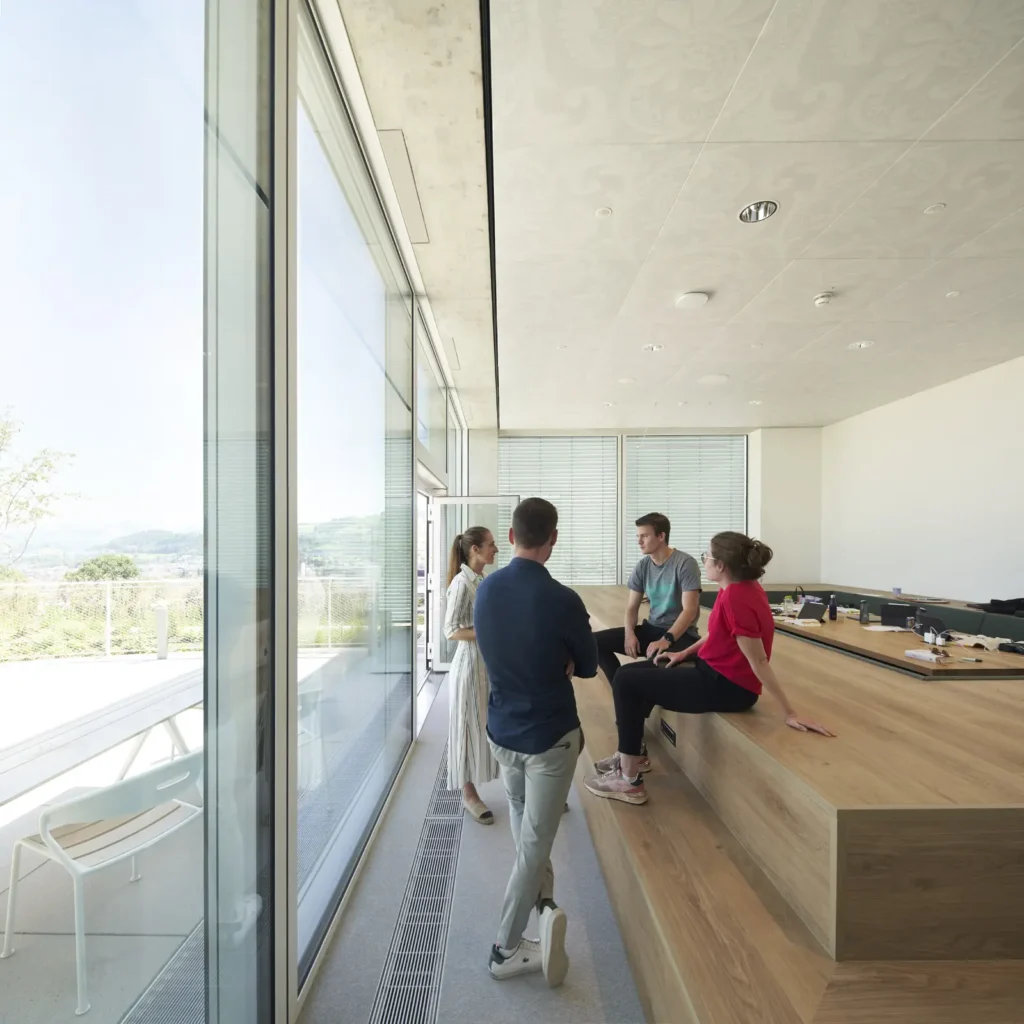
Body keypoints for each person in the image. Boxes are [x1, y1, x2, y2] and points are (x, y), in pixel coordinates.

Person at [585, 531, 835, 805]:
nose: (704, 561)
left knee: (626, 681)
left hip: (728, 688)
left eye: (707, 557)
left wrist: (790, 712)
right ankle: (633, 757)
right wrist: (683, 653)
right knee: (632, 675)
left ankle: (629, 780)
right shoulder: (741, 588)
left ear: (721, 566)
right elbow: (716, 633)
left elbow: (759, 660)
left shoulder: (736, 598)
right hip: (712, 672)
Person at [473, 498, 598, 987]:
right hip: (548, 738)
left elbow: (499, 647)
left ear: (510, 536)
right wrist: (565, 658)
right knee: (533, 842)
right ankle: (504, 949)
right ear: (554, 539)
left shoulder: (486, 588)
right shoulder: (563, 600)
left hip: (502, 732)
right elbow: (588, 665)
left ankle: (544, 901)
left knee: (525, 820)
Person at [593, 513, 701, 760]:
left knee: (642, 673)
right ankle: (628, 703)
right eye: (638, 536)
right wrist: (629, 634)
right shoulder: (643, 566)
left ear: (661, 536)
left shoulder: (685, 563)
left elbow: (690, 611)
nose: (639, 541)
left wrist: (667, 639)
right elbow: (631, 607)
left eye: (644, 536)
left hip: (680, 636)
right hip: (651, 629)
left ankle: (631, 718)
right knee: (594, 642)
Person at [445, 526, 501, 823]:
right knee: (466, 729)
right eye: (491, 544)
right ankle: (469, 795)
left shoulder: (482, 580)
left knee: (493, 726)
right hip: (469, 667)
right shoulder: (461, 583)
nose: (496, 549)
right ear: (475, 550)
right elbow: (451, 630)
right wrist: (488, 632)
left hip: (487, 664)